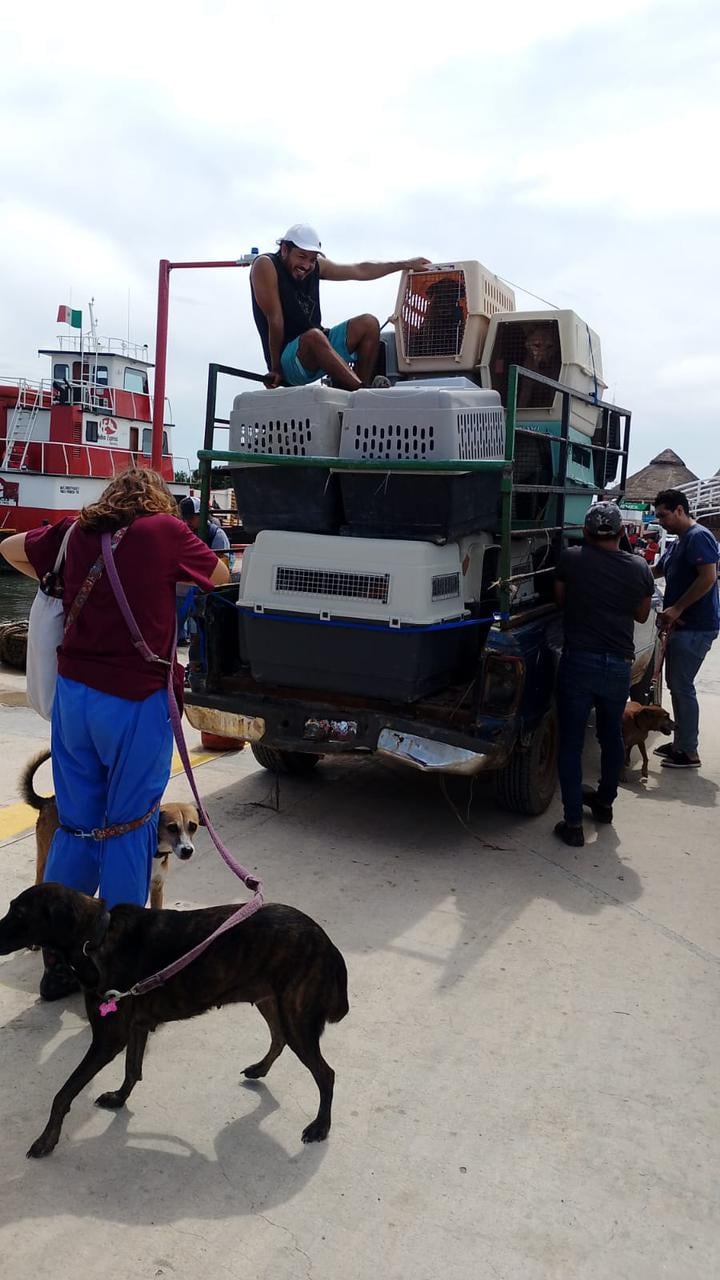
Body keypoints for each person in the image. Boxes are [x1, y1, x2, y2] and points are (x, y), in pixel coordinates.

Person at [0, 468, 229, 999]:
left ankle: (57, 961)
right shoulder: (166, 533)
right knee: (128, 828)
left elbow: (10, 546)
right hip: (136, 702)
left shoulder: (76, 531)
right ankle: (115, 968)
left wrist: (54, 579)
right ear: (156, 500)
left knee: (76, 827)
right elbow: (219, 577)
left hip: (75, 700)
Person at [553, 501, 654, 846]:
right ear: (622, 532)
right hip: (618, 665)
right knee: (610, 737)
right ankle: (605, 804)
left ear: (585, 532)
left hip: (579, 660)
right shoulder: (639, 566)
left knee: (571, 741)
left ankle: (571, 823)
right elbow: (642, 615)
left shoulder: (572, 558)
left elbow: (560, 599)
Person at [250, 222, 430, 390]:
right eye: (302, 256)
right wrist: (276, 369)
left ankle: (356, 391)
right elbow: (275, 319)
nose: (306, 265)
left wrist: (405, 264)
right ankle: (363, 392)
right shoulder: (266, 265)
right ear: (284, 249)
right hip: (287, 361)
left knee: (368, 323)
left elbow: (359, 270)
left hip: (318, 348)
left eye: (312, 259)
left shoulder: (316, 267)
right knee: (314, 336)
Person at [651, 488, 719, 769]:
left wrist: (677, 608)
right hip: (681, 626)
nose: (661, 522)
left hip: (695, 626)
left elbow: (708, 577)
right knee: (676, 686)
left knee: (681, 687)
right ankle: (681, 742)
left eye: (664, 516)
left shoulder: (698, 536)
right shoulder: (678, 542)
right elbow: (657, 570)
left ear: (680, 510)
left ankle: (688, 751)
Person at [176, 495, 232, 644]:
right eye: (185, 517)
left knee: (200, 630)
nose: (187, 521)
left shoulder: (216, 535)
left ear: (201, 515)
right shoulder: (183, 533)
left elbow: (223, 565)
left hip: (205, 591)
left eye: (191, 517)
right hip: (183, 589)